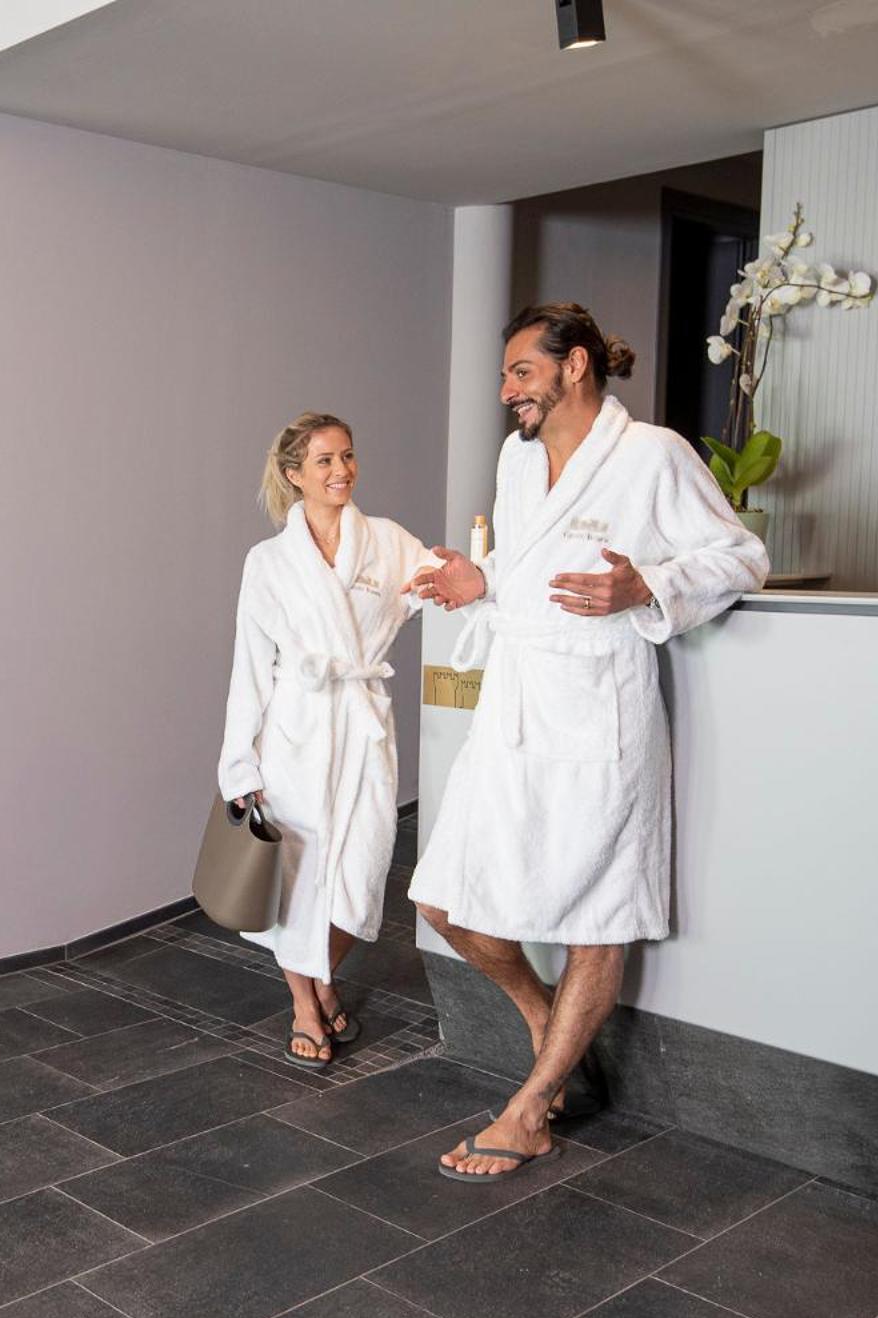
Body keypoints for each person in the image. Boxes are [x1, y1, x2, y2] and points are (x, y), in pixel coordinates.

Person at [405, 303, 768, 1180]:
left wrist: (648, 586)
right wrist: (480, 580)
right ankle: (544, 1020)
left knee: (597, 921)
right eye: (506, 375)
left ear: (574, 367)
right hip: (517, 705)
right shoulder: (517, 459)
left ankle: (529, 1110)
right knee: (443, 898)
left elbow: (741, 556)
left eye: (521, 371)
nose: (507, 391)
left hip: (603, 711)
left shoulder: (652, 455)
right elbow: (527, 570)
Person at [218, 412, 443, 1070]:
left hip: (362, 724)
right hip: (295, 733)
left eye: (347, 456)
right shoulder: (268, 563)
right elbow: (250, 667)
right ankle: (304, 1005)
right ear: (295, 474)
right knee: (298, 884)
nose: (342, 470)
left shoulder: (387, 541)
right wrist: (240, 765)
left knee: (361, 875)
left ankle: (319, 979)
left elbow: (443, 583)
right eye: (324, 460)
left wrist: (478, 573)